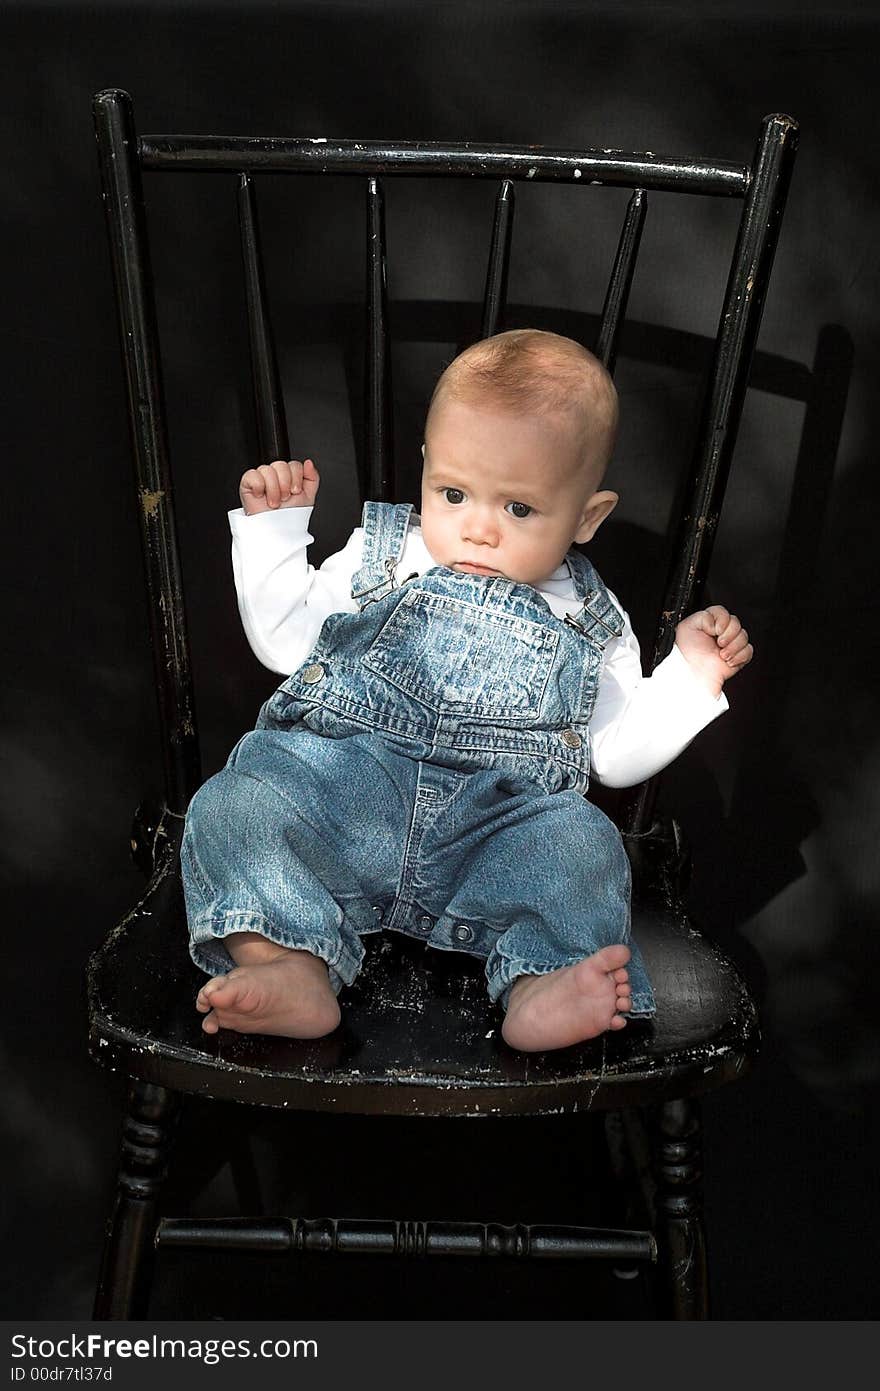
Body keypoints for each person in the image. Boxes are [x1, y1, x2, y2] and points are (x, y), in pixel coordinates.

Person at [181, 329, 752, 1052]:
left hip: (496, 835)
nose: (478, 527)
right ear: (425, 469)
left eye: (519, 509)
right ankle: (288, 960)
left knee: (585, 845)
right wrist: (274, 535)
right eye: (453, 492)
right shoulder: (381, 552)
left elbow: (614, 754)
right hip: (342, 799)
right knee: (236, 801)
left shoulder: (591, 617)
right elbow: (288, 640)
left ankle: (543, 982)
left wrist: (692, 676)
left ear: (587, 516)